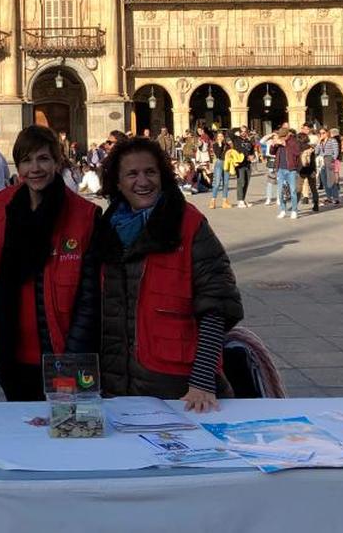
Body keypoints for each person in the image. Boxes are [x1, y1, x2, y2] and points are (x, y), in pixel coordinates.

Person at [96, 137, 243, 409]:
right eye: (132, 174)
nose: (143, 181)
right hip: (117, 384)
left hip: (180, 385)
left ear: (162, 176)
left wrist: (201, 381)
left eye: (150, 172)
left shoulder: (187, 223)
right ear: (117, 183)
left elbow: (218, 304)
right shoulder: (107, 229)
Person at [0, 125, 101, 401]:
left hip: (62, 354)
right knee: (20, 431)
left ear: (57, 162)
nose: (35, 168)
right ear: (18, 166)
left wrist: (74, 354)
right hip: (7, 351)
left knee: (67, 433)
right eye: (27, 160)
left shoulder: (84, 215)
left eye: (43, 158)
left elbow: (90, 297)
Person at [274, 126, 302, 220]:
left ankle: (294, 210)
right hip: (280, 169)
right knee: (281, 191)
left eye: (283, 137)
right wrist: (274, 145)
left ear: (287, 135)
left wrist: (286, 144)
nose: (281, 138)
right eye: (280, 137)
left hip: (291, 169)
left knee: (293, 191)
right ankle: (283, 210)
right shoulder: (279, 141)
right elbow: (272, 152)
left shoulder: (293, 141)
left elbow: (297, 153)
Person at [316, 127, 342, 206]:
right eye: (320, 133)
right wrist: (318, 142)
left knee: (331, 180)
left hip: (329, 159)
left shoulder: (332, 141)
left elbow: (336, 151)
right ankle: (328, 197)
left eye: (323, 133)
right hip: (322, 160)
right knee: (324, 180)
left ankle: (336, 198)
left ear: (327, 133)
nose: (322, 135)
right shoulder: (321, 142)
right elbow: (316, 152)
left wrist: (332, 160)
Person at [231, 126, 254, 207]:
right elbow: (230, 132)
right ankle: (239, 200)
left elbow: (252, 151)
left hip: (247, 164)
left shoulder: (249, 141)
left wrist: (252, 156)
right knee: (241, 181)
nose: (243, 133)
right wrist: (237, 128)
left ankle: (243, 199)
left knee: (246, 182)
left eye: (245, 131)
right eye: (242, 131)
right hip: (239, 164)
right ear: (240, 132)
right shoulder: (236, 139)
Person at [209, 131, 231, 209]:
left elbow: (229, 154)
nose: (220, 138)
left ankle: (224, 202)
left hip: (226, 163)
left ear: (224, 137)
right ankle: (213, 201)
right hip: (219, 163)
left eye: (221, 136)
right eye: (219, 136)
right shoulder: (215, 145)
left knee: (226, 183)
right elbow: (218, 155)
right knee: (217, 183)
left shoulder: (227, 145)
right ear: (216, 137)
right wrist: (220, 145)